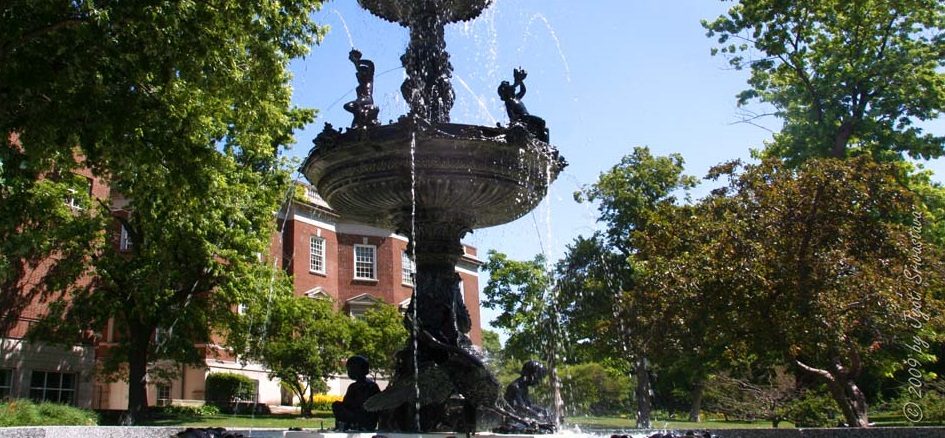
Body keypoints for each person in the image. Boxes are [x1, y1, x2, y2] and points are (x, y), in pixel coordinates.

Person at [332, 355, 381, 431]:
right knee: (336, 405)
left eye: (350, 369)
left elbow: (349, 404)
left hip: (364, 419)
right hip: (365, 419)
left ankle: (349, 424)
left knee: (336, 406)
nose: (348, 372)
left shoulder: (365, 386)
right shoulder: (371, 385)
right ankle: (349, 424)